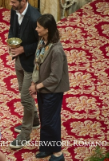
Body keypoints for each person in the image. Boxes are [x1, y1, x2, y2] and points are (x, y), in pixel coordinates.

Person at [29, 14, 69, 161]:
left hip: (52, 90)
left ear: (47, 29)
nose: (36, 29)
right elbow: (37, 63)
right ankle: (46, 147)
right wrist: (34, 82)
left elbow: (55, 77)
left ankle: (58, 153)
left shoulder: (57, 50)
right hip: (43, 88)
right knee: (45, 120)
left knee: (51, 120)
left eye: (39, 27)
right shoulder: (42, 40)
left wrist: (37, 86)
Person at [7, 0, 41, 149]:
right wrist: (11, 43)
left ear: (24, 1)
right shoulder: (14, 10)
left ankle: (25, 134)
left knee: (26, 98)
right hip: (19, 60)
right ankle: (34, 120)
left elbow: (42, 44)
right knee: (22, 89)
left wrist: (24, 49)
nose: (11, 4)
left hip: (32, 63)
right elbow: (12, 30)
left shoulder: (35, 18)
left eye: (14, 2)